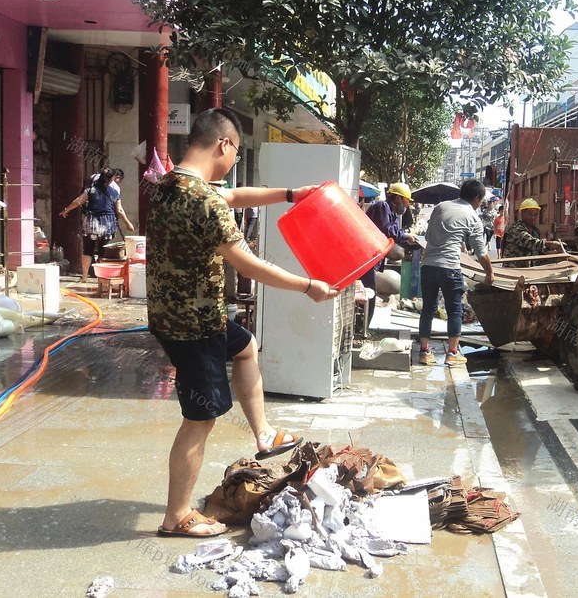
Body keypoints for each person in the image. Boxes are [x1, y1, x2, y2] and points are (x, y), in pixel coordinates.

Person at [146, 107, 338, 538]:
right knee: (200, 419)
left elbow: (233, 196)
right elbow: (248, 265)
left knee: (246, 345)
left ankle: (264, 433)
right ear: (224, 145)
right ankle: (177, 515)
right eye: (235, 152)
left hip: (175, 314)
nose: (233, 161)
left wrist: (291, 194)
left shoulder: (170, 185)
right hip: (194, 325)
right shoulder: (204, 200)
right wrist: (308, 285)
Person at [417, 179, 495, 366]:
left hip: (427, 265)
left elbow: (428, 236)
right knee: (454, 310)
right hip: (450, 267)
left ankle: (424, 351)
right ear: (477, 198)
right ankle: (452, 353)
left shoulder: (441, 207)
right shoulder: (473, 218)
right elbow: (480, 252)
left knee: (428, 309)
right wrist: (490, 273)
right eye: (481, 200)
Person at [59, 168, 135, 283]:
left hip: (92, 223)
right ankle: (101, 278)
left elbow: (78, 201)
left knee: (88, 250)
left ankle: (84, 277)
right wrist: (128, 223)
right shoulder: (115, 192)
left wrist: (66, 210)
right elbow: (119, 210)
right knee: (103, 251)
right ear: (112, 179)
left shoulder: (91, 190)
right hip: (107, 224)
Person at [360, 182, 417, 294]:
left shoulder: (393, 214)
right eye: (406, 200)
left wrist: (414, 245)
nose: (407, 205)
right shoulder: (383, 207)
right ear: (398, 198)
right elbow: (387, 231)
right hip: (366, 257)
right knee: (369, 293)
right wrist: (406, 236)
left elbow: (396, 236)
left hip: (373, 258)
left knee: (369, 292)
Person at [502, 198, 564, 267]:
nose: (533, 217)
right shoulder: (516, 229)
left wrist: (557, 253)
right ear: (522, 213)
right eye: (530, 214)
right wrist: (552, 244)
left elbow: (539, 251)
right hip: (512, 268)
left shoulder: (535, 231)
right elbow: (531, 242)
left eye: (535, 214)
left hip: (527, 269)